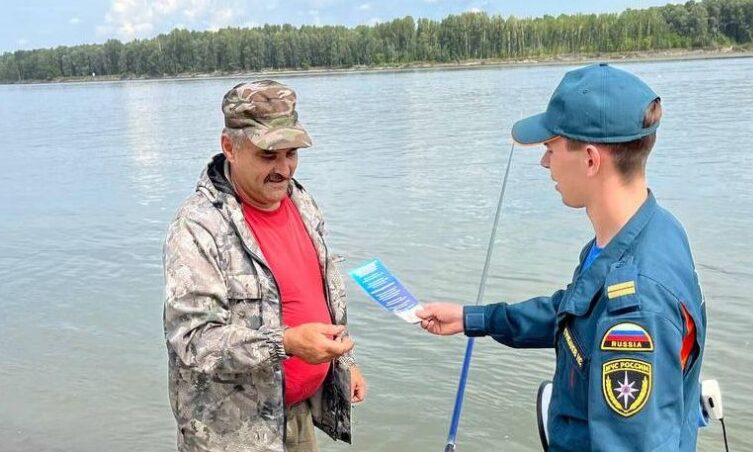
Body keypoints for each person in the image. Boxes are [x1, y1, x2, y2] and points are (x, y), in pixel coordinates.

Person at [417, 64, 706, 451]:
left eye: (551, 149)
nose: (544, 163)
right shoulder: (651, 230)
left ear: (590, 159)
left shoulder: (636, 307)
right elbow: (574, 313)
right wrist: (474, 318)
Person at [163, 80, 366, 452]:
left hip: (298, 414)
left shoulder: (301, 202)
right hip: (234, 434)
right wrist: (285, 343)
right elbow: (193, 340)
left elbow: (321, 292)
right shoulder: (198, 225)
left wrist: (344, 361)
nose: (284, 169)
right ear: (230, 147)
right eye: (268, 155)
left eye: (291, 154)